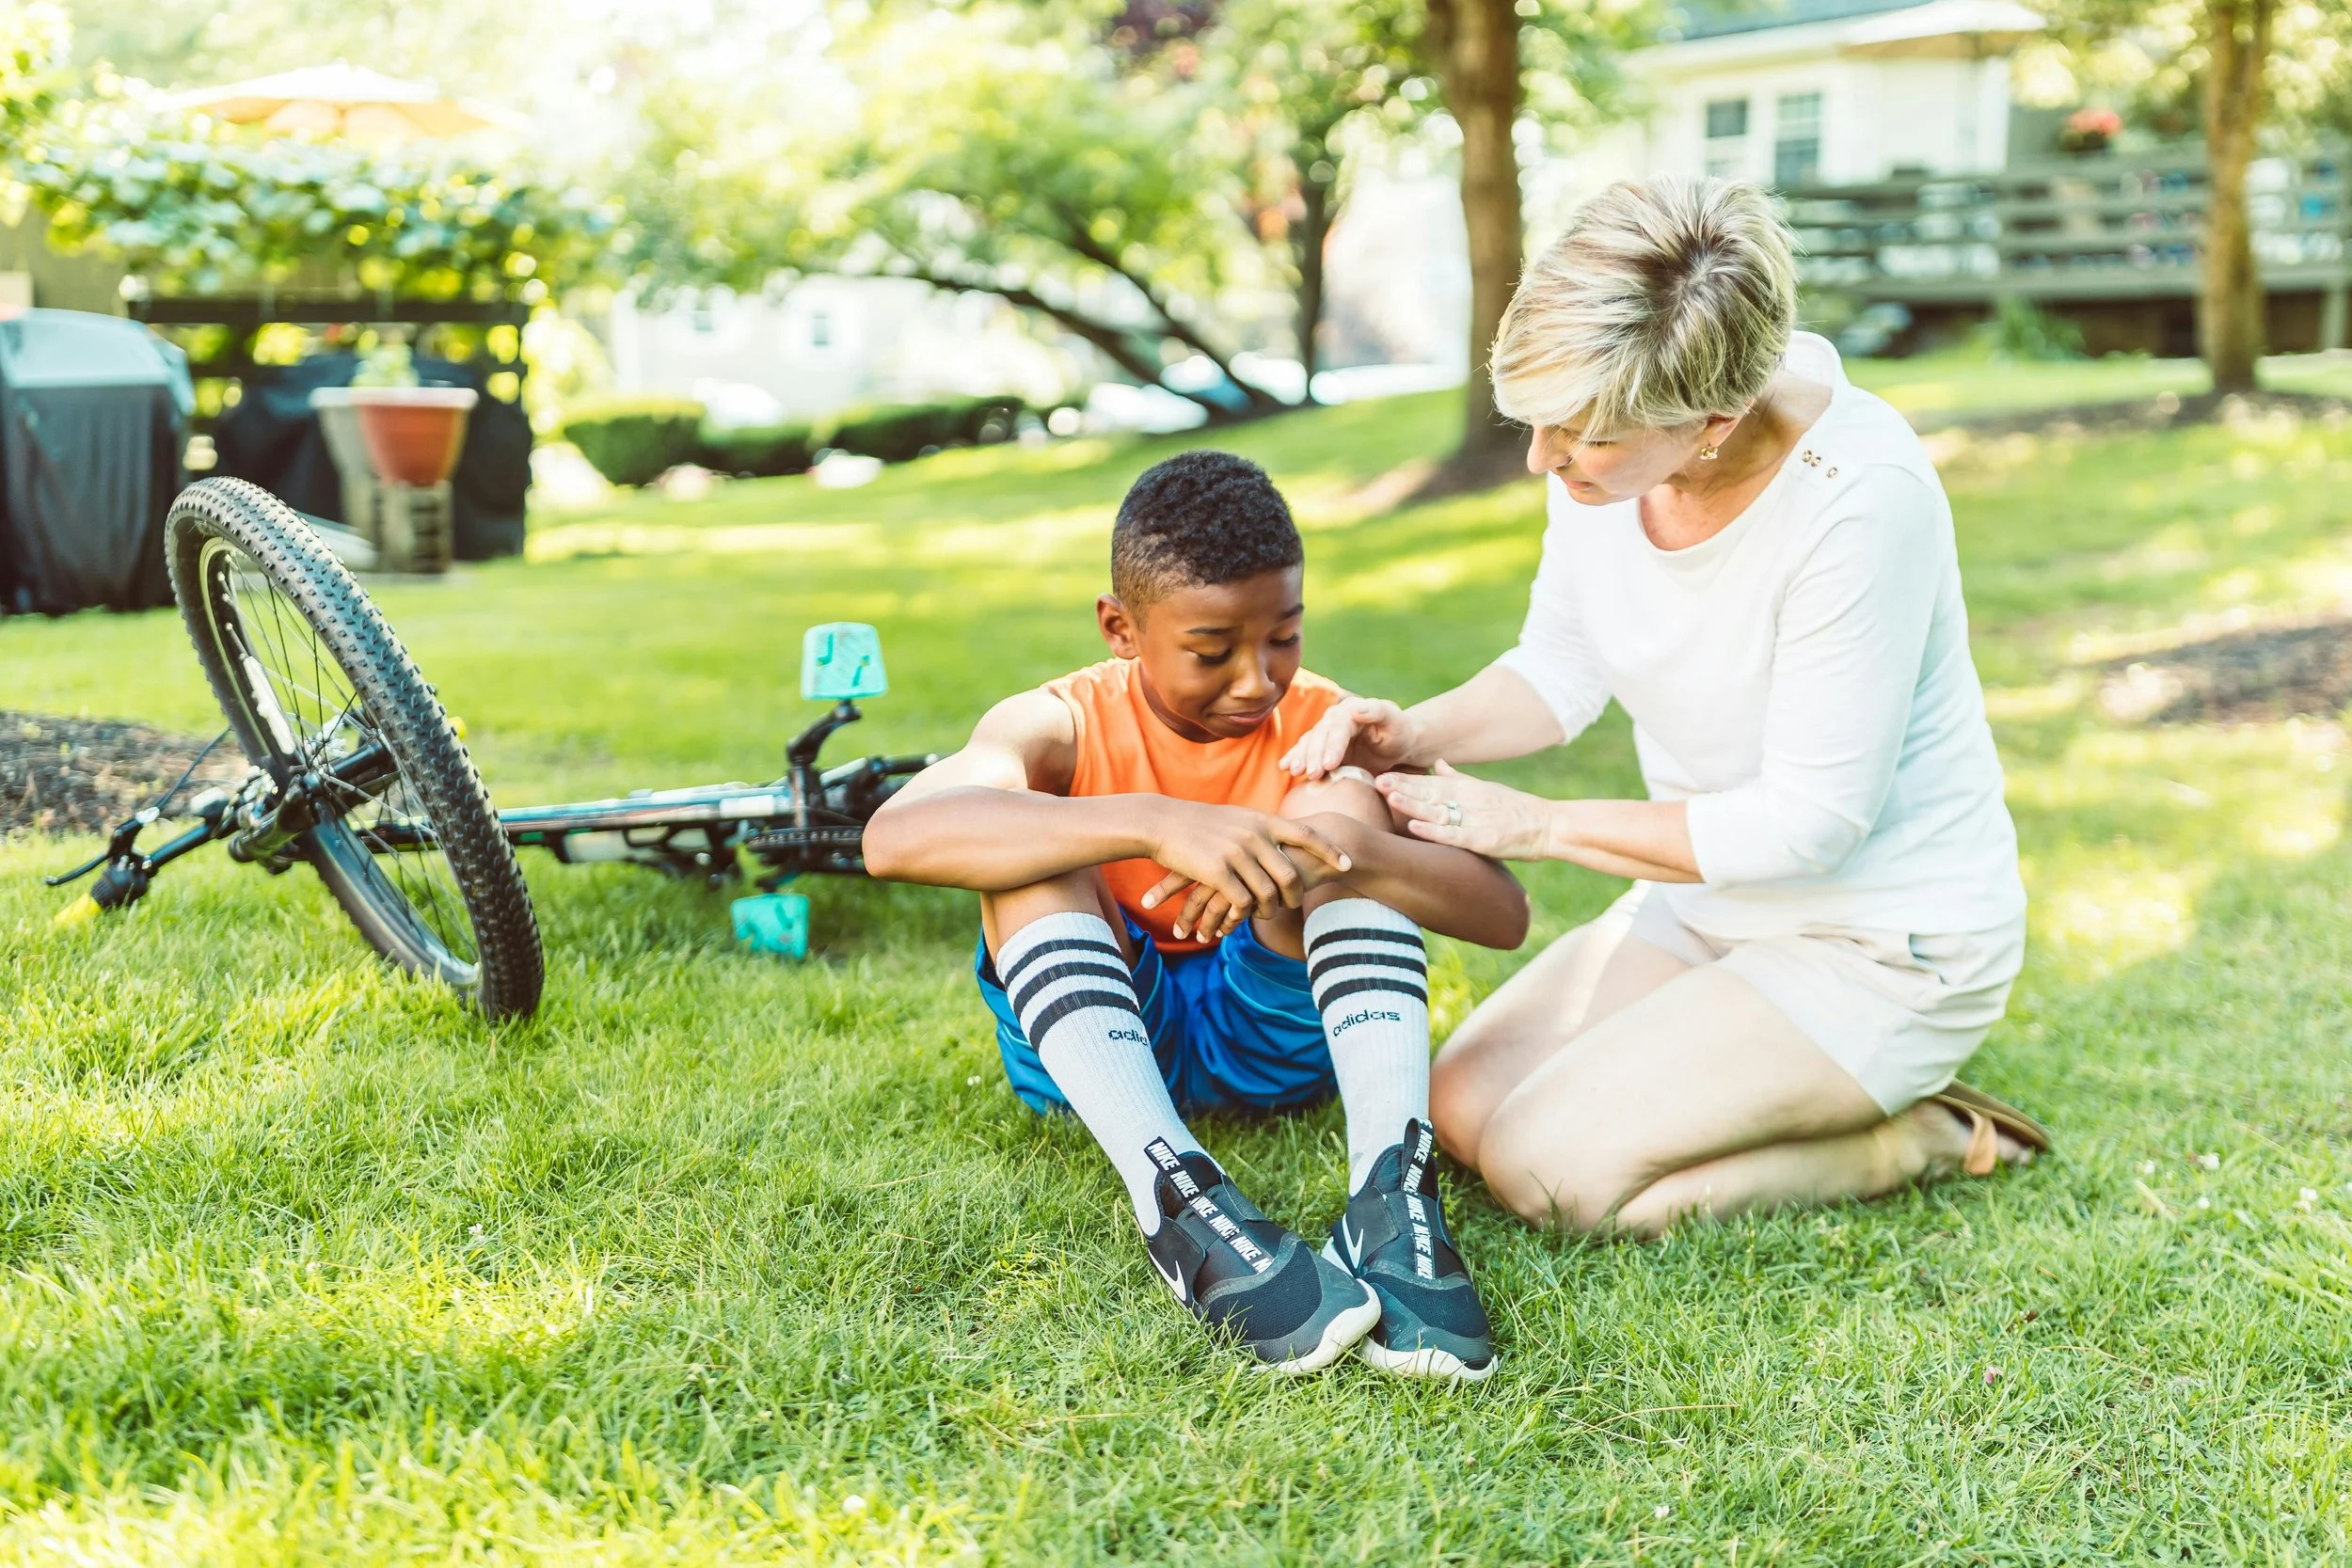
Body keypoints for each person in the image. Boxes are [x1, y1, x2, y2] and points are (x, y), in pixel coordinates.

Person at [1281, 176, 2050, 1238]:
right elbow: (1560, 662)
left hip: (1878, 941)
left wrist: (1544, 827)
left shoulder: (1860, 501)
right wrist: (1413, 731)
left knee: (1546, 1169)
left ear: (1711, 423)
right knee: (1457, 1106)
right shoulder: (1607, 456)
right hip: (1705, 901)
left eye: (1579, 436)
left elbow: (1810, 822)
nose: (1543, 460)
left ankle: (1913, 1133)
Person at [862, 450, 1528, 1379]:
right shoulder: (1058, 721)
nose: (1257, 679)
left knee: (1339, 810)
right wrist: (1152, 820)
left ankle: (1391, 1197)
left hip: (1274, 1034)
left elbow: (1503, 912)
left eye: (1283, 637)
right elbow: (892, 839)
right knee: (1029, 848)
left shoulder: (1331, 724)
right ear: (1120, 628)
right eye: (1212, 650)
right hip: (1103, 1045)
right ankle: (1174, 1199)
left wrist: (1345, 848)